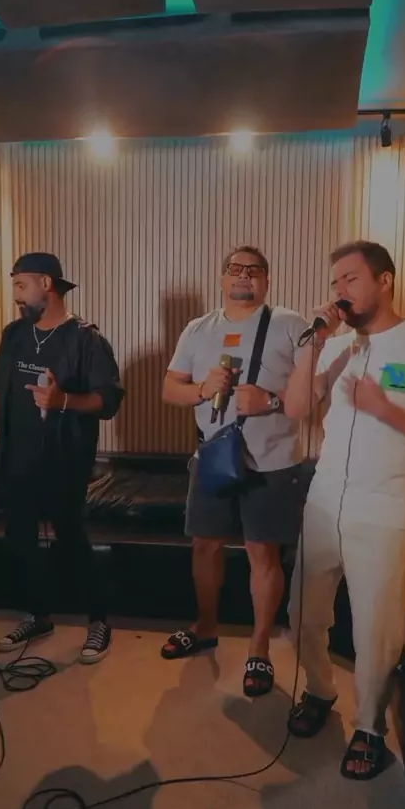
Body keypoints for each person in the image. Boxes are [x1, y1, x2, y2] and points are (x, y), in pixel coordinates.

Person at [284, 240, 405, 779]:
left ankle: (370, 728)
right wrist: (315, 343)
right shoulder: (337, 347)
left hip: (385, 511)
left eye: (351, 279)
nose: (340, 291)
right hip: (323, 504)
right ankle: (319, 689)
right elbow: (294, 407)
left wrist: (387, 410)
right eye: (335, 282)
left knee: (376, 633)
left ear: (385, 281)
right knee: (303, 615)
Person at [161, 245, 308, 697]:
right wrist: (202, 389)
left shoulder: (290, 324)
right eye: (235, 268)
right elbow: (170, 389)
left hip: (273, 461)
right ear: (223, 278)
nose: (244, 275)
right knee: (205, 546)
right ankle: (205, 626)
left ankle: (259, 646)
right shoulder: (198, 328)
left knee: (263, 553)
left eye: (254, 270)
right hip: (214, 456)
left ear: (267, 280)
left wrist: (272, 400)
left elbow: (313, 392)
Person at [0, 253, 124, 663]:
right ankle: (38, 615)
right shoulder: (13, 334)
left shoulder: (86, 339)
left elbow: (108, 401)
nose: (15, 295)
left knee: (70, 537)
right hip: (15, 455)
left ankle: (98, 620)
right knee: (19, 538)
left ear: (46, 283)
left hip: (65, 458)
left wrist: (63, 400)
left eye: (20, 285)